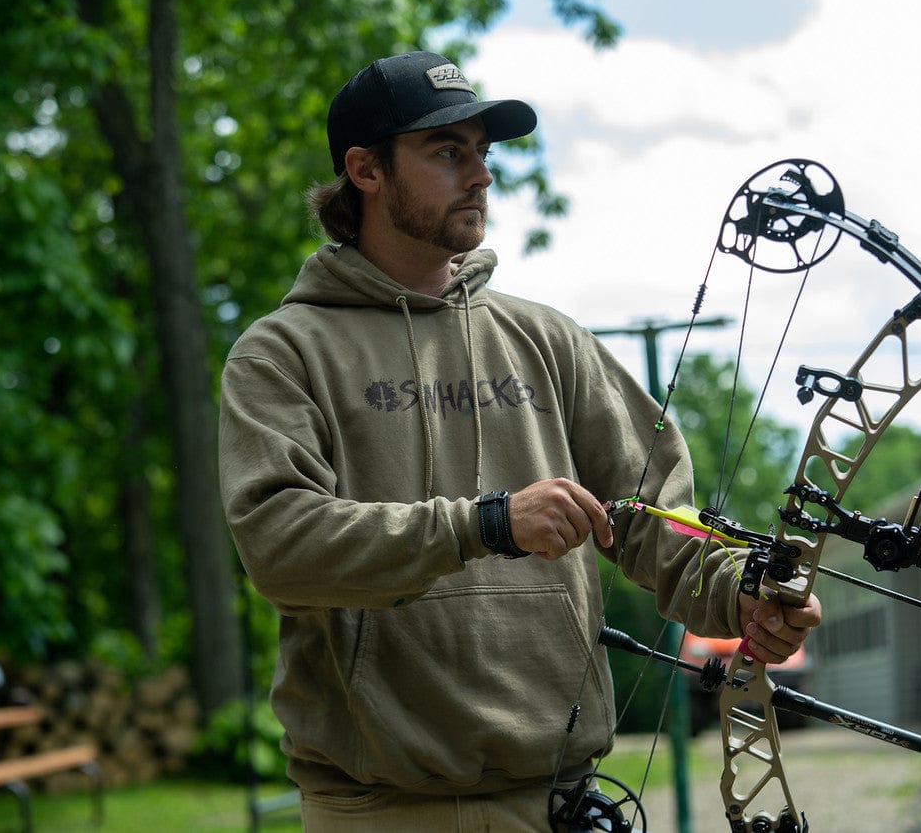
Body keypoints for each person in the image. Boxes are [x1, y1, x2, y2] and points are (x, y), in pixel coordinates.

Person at [218, 50, 821, 832]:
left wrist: (743, 595)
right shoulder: (283, 353)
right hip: (378, 807)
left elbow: (657, 521)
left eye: (483, 153)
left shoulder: (546, 340)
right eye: (446, 153)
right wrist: (487, 522)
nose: (480, 176)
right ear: (365, 170)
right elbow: (280, 546)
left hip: (558, 801)